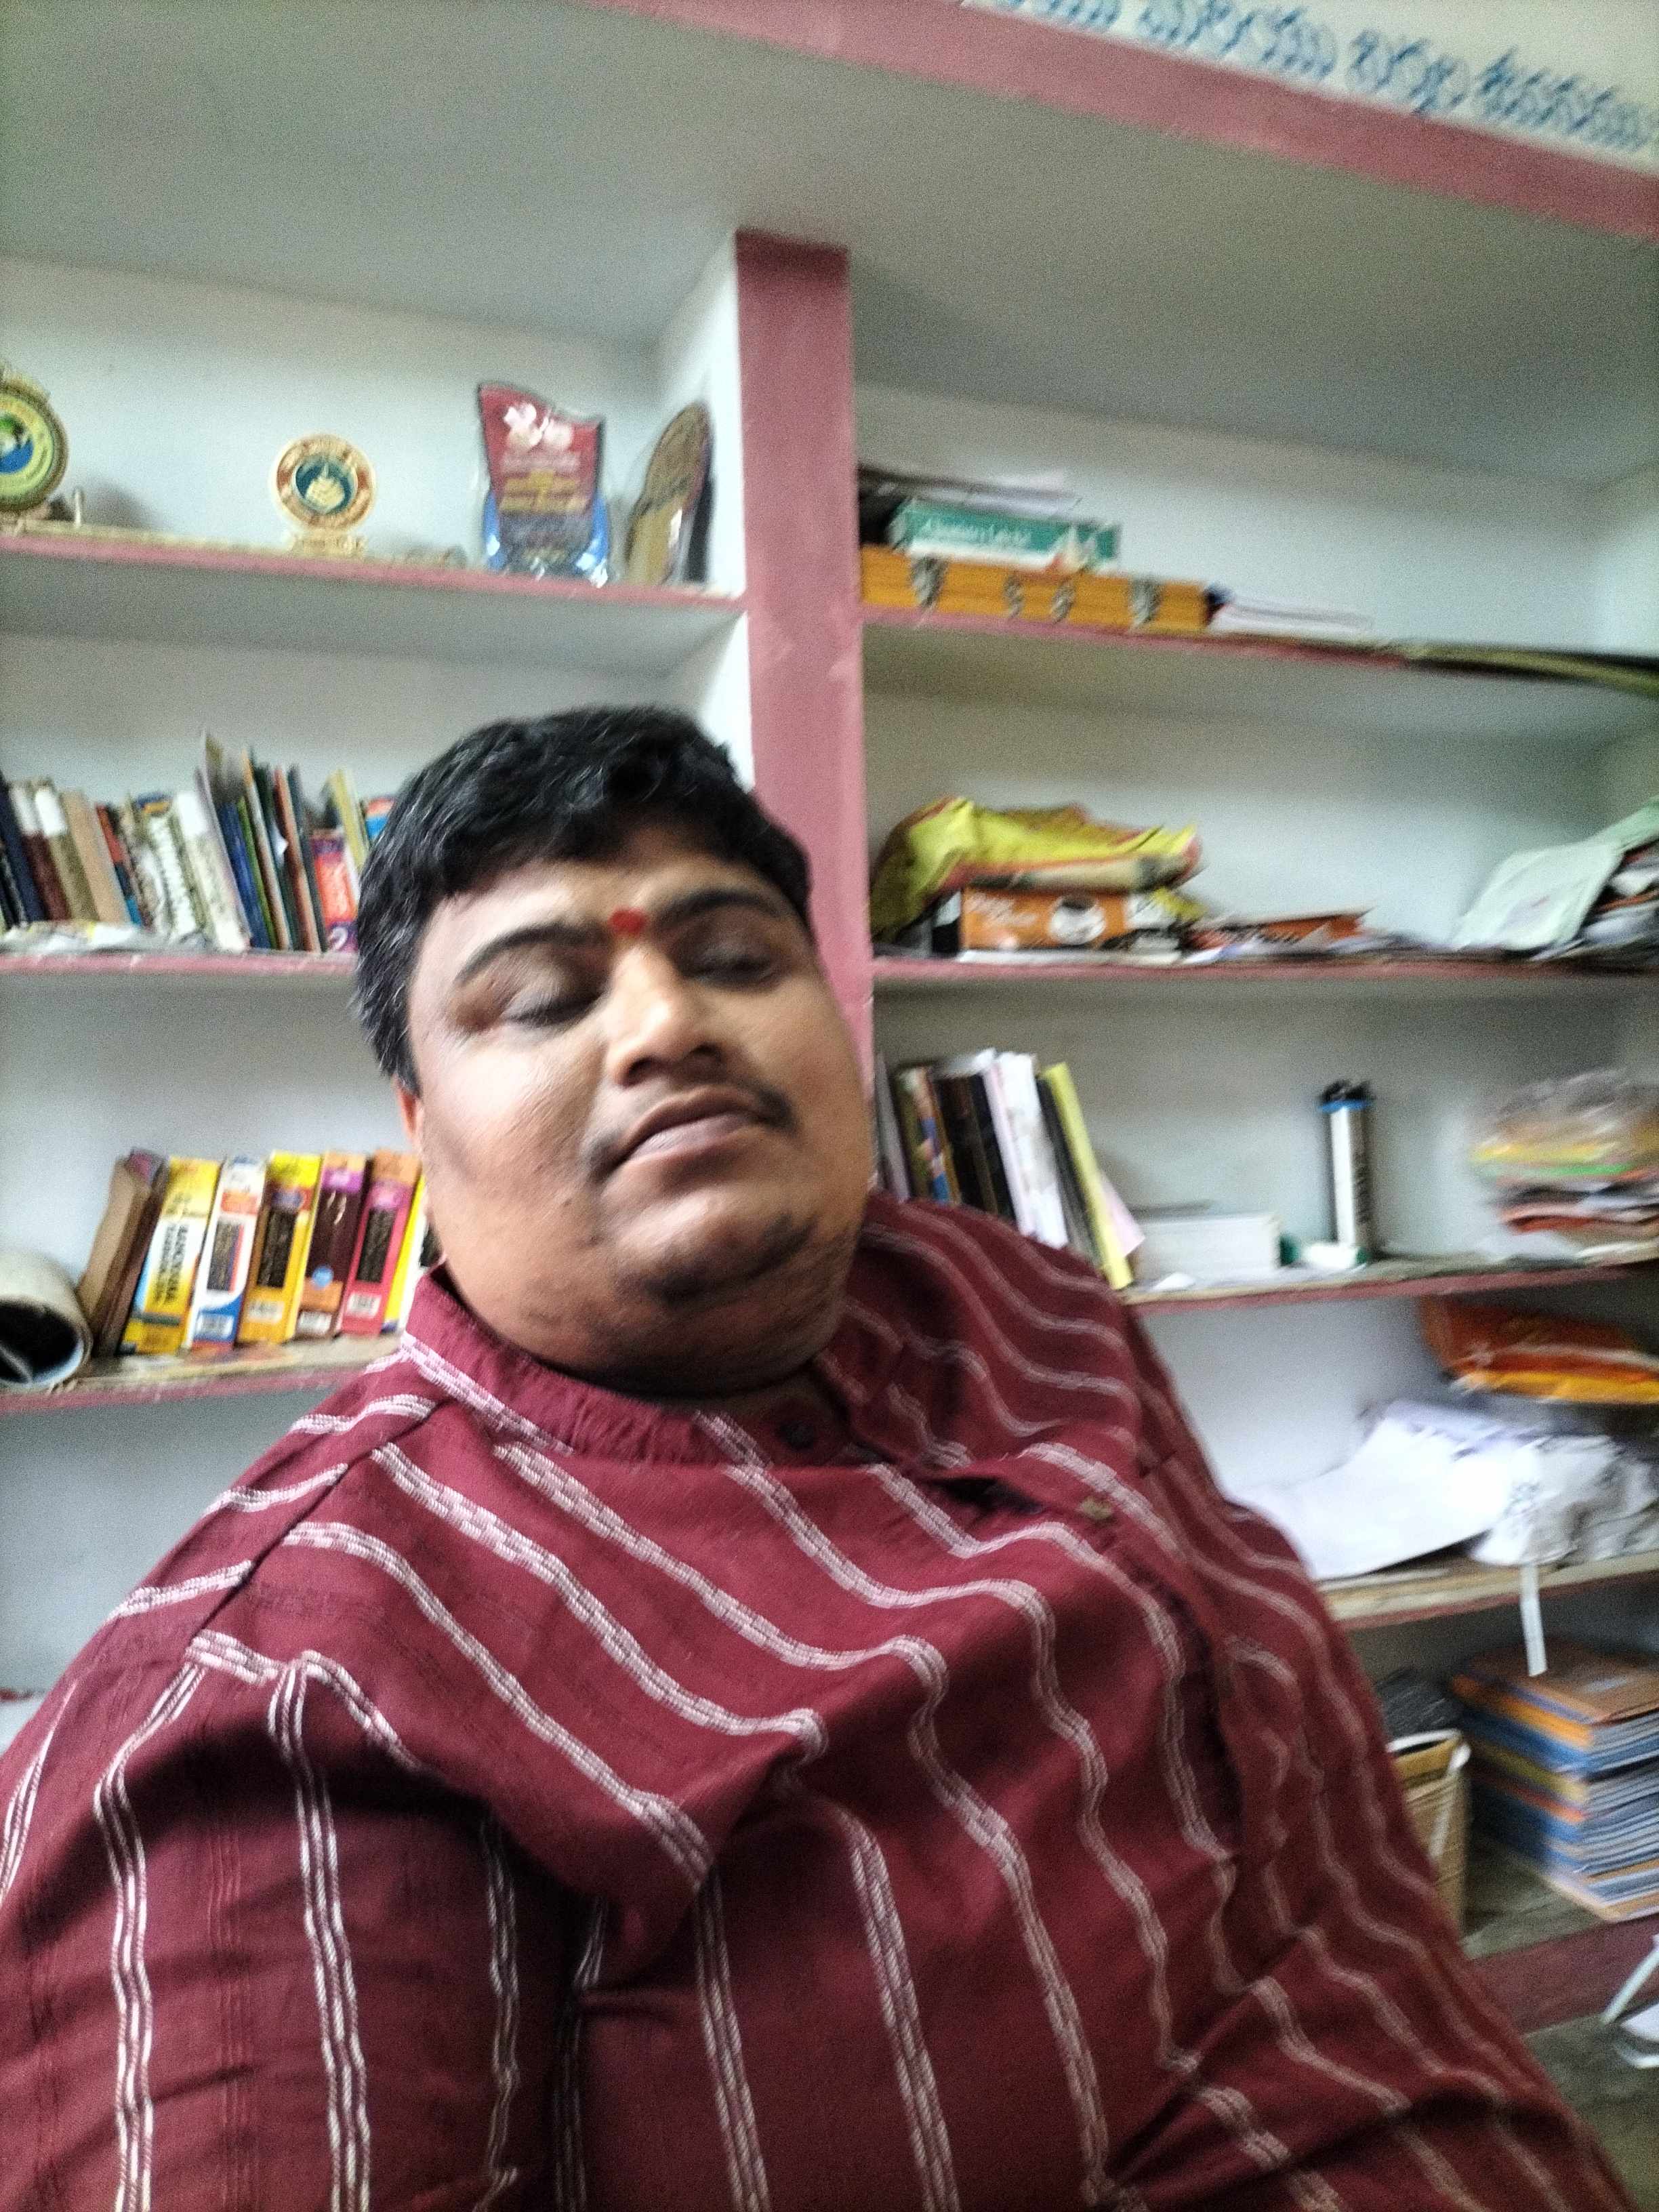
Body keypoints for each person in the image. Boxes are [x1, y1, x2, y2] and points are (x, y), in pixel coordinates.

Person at [0, 708, 1631, 2211]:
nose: (668, 1024)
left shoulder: (1028, 1303)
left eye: (734, 958)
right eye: (545, 998)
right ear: (418, 1134)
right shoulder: (289, 1708)